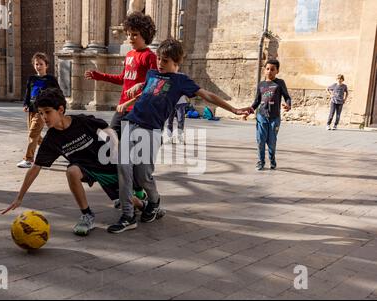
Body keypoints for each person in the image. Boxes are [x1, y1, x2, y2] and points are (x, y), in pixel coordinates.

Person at [107, 38, 252, 234]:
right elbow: (150, 91)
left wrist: (233, 109)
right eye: (158, 59)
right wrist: (131, 97)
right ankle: (128, 215)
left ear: (176, 62)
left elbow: (207, 94)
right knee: (123, 167)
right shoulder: (152, 73)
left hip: (151, 131)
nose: (160, 63)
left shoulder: (181, 81)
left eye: (165, 61)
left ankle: (154, 200)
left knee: (142, 176)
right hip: (131, 123)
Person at [2, 88, 142, 237]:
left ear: (60, 109)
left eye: (48, 112)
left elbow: (105, 126)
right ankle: (87, 214)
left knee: (131, 201)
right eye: (41, 113)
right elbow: (35, 168)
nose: (44, 117)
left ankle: (143, 204)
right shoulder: (51, 139)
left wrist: (115, 148)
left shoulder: (81, 121)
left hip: (107, 167)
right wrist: (19, 197)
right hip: (85, 170)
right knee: (72, 171)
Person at [84, 12, 157, 138]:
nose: (130, 38)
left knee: (132, 145)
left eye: (135, 35)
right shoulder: (129, 55)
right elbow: (122, 79)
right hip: (122, 106)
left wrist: (139, 86)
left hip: (139, 109)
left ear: (145, 35)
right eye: (128, 34)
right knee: (111, 139)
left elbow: (154, 84)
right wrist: (99, 76)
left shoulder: (150, 57)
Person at [17, 52, 60, 169]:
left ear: (46, 65)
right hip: (31, 110)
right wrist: (25, 104)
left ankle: (29, 159)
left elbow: (58, 93)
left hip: (42, 111)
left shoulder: (50, 79)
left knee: (32, 134)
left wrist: (58, 107)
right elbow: (28, 92)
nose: (39, 66)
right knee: (36, 135)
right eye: (36, 64)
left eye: (41, 64)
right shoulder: (31, 79)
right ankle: (52, 150)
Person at [248, 59, 292, 171]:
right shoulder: (261, 84)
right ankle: (260, 162)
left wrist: (288, 105)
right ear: (264, 70)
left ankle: (272, 160)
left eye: (272, 69)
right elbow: (257, 101)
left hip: (274, 118)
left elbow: (287, 97)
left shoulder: (280, 83)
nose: (269, 71)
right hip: (261, 116)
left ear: (277, 71)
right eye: (267, 69)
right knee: (260, 141)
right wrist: (249, 110)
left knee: (271, 143)